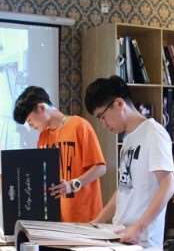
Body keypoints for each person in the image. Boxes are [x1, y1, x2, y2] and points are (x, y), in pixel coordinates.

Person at [84, 76, 174, 248]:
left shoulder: (154, 133)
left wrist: (139, 228)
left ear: (119, 104)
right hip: (121, 234)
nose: (103, 124)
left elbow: (167, 185)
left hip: (142, 241)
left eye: (102, 116)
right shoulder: (128, 140)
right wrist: (96, 222)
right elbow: (123, 190)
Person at [13, 86, 106, 223]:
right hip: (57, 218)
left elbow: (100, 168)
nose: (30, 126)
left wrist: (73, 185)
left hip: (86, 217)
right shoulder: (43, 137)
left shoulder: (79, 126)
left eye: (30, 120)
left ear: (41, 108)